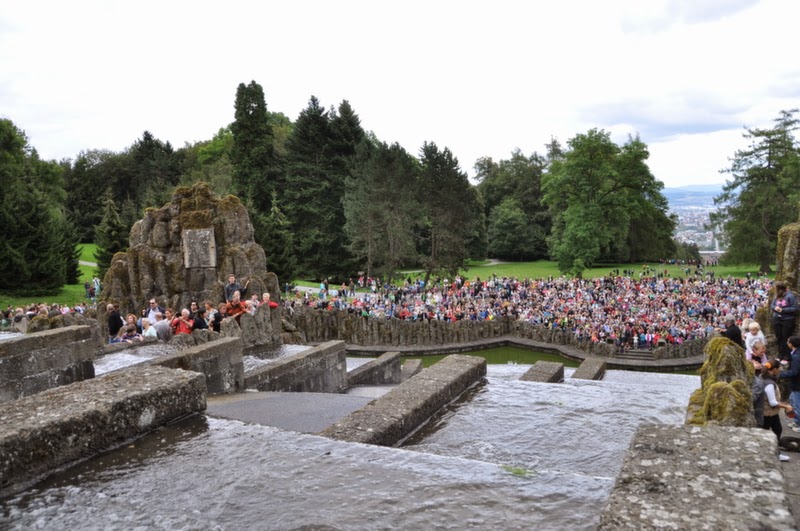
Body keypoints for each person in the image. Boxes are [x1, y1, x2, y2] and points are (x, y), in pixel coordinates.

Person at [760, 359, 794, 461]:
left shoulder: (762, 377)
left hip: (769, 413)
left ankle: (774, 452)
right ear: (774, 369)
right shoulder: (770, 384)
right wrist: (786, 406)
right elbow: (773, 402)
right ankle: (772, 454)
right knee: (773, 431)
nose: (780, 370)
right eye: (779, 368)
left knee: (776, 430)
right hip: (768, 413)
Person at [779, 336, 800, 433]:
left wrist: (781, 374)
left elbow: (794, 372)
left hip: (797, 384)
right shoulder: (795, 354)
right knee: (792, 400)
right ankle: (796, 421)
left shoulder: (796, 357)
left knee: (797, 405)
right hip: (796, 384)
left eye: (788, 342)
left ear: (791, 344)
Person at [772, 281, 797, 361]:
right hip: (777, 319)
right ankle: (780, 353)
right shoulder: (776, 296)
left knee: (785, 337)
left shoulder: (790, 296)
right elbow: (772, 305)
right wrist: (775, 308)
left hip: (787, 319)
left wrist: (783, 310)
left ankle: (787, 355)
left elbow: (795, 308)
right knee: (779, 337)